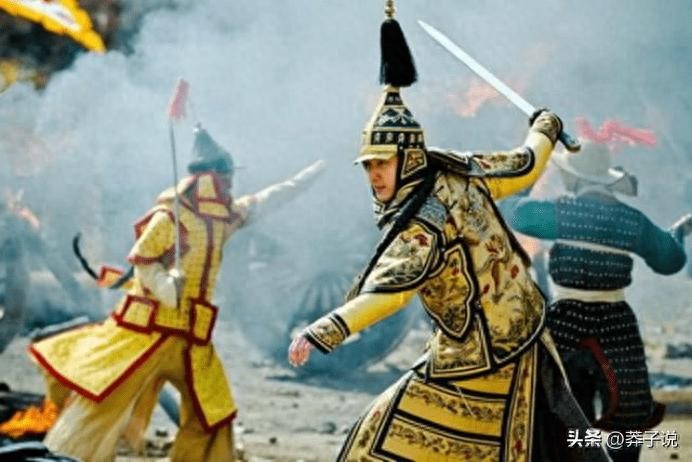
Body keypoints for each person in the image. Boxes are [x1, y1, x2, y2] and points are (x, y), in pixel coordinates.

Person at [289, 3, 608, 461]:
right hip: (523, 332)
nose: (374, 175)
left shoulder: (424, 220)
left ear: (409, 158)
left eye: (382, 164)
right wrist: (546, 127)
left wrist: (324, 330)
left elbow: (390, 293)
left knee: (374, 438)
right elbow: (525, 162)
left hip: (483, 356)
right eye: (369, 165)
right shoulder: (462, 169)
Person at [29, 124, 324, 462]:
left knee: (212, 413)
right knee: (103, 403)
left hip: (192, 338)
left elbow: (270, 198)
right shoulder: (170, 216)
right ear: (210, 177)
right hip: (148, 333)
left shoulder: (225, 217)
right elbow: (143, 259)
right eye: (226, 175)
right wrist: (167, 283)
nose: (231, 182)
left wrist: (311, 175)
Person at [504, 135, 691, 461]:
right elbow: (670, 261)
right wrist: (676, 233)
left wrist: (527, 180)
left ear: (575, 178)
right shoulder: (631, 221)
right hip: (616, 326)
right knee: (628, 414)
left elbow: (514, 213)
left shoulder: (563, 213)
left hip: (566, 324)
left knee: (564, 411)